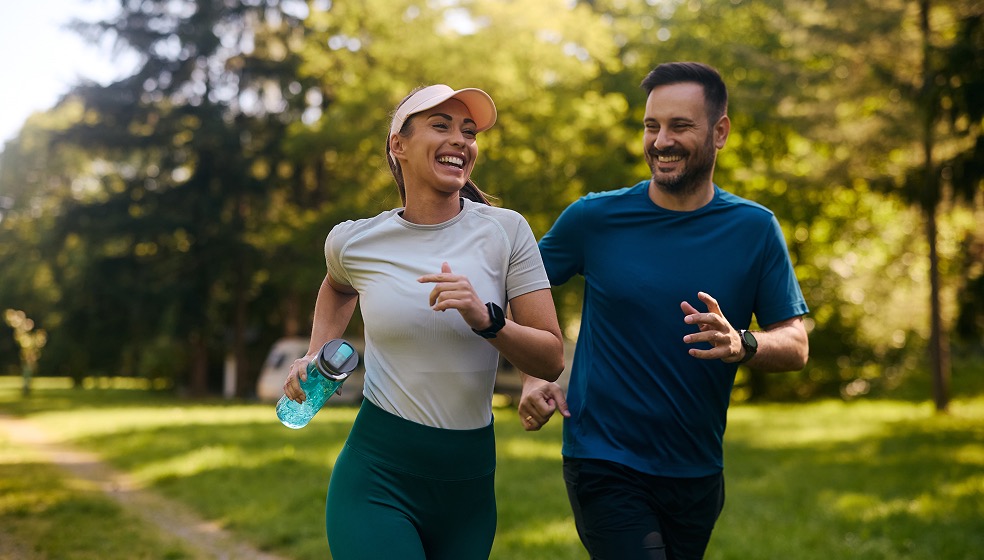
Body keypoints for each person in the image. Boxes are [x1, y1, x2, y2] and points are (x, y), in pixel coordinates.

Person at [518, 62, 810, 560]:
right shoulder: (594, 218)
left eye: (680, 126)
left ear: (719, 132)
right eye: (652, 126)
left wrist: (743, 343)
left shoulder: (755, 229)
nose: (661, 141)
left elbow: (796, 343)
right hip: (603, 458)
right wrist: (534, 370)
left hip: (695, 469)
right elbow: (519, 285)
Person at [283, 84, 565, 560]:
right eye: (442, 126)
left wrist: (486, 319)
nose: (461, 140)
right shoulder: (355, 241)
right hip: (378, 476)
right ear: (399, 145)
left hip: (469, 485)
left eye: (469, 132)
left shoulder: (507, 231)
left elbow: (551, 356)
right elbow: (337, 285)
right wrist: (316, 352)